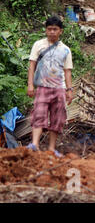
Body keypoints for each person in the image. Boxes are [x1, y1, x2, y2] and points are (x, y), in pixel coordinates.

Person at [26, 16, 73, 157]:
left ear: (60, 31)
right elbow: (32, 65)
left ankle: (52, 149)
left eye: (55, 29)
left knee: (57, 119)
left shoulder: (65, 50)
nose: (52, 32)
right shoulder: (38, 45)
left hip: (59, 88)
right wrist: (30, 85)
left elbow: (67, 71)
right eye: (49, 29)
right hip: (42, 87)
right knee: (38, 114)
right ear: (46, 30)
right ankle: (35, 144)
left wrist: (69, 90)